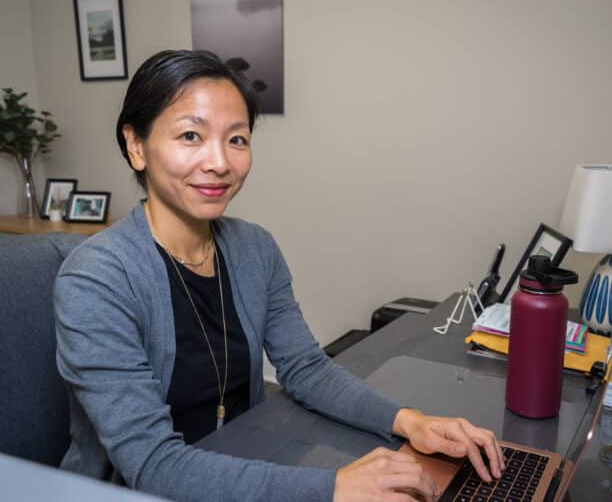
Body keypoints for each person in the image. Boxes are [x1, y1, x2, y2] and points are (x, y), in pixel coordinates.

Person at [54, 50, 504, 502]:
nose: (219, 163)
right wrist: (334, 487)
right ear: (136, 146)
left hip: (247, 463)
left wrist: (410, 421)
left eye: (237, 139)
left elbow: (306, 368)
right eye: (191, 135)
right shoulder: (96, 280)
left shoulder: (255, 249)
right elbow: (153, 466)